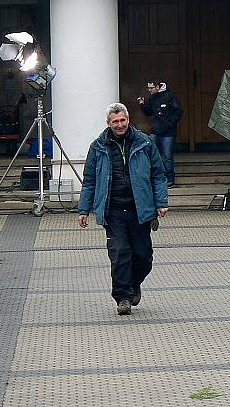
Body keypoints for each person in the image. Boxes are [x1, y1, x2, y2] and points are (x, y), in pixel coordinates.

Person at [77, 103, 168, 316]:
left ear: (128, 120)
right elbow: (89, 180)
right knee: (119, 253)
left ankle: (134, 284)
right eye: (115, 121)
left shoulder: (145, 143)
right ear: (108, 124)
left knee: (143, 256)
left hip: (140, 209)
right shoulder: (98, 146)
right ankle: (123, 297)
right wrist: (84, 209)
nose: (120, 125)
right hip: (114, 210)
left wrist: (161, 202)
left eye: (122, 120)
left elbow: (158, 175)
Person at [137, 78, 183, 188]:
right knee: (147, 150)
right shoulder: (152, 98)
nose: (149, 90)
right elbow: (148, 112)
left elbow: (179, 111)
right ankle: (150, 176)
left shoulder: (170, 96)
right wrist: (142, 104)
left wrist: (169, 123)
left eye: (151, 88)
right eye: (148, 88)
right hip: (156, 131)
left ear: (157, 87)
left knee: (167, 156)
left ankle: (170, 179)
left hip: (168, 132)